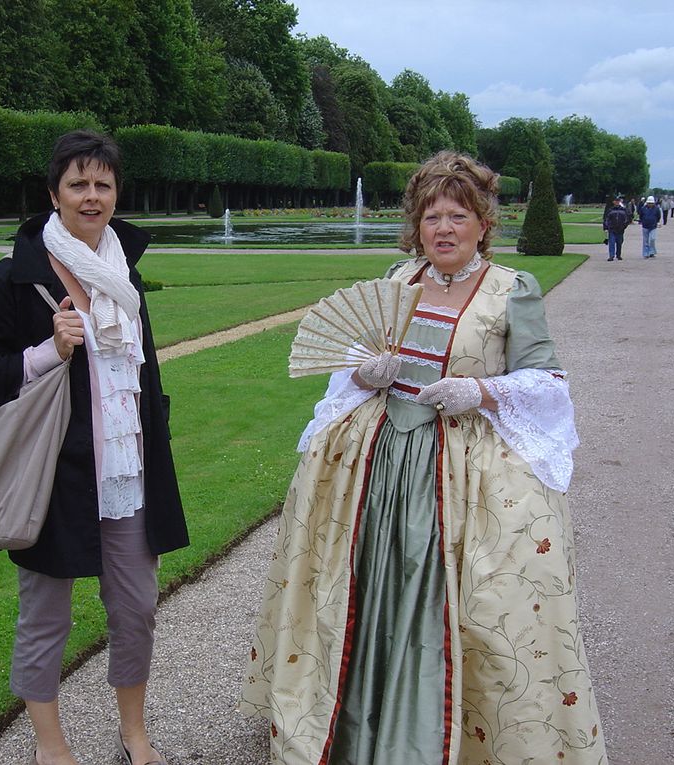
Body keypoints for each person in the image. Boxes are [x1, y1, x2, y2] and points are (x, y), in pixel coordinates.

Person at [240, 151, 607, 764]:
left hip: (463, 472)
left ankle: (447, 734)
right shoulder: (398, 278)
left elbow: (548, 381)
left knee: (466, 601)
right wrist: (367, 369)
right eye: (432, 215)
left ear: (483, 222)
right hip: (379, 463)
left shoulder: (511, 290)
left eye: (457, 215)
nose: (443, 228)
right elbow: (356, 356)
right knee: (364, 583)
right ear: (417, 224)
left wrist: (482, 389)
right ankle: (358, 722)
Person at [0, 130, 189, 765]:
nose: (92, 196)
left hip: (128, 473)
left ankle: (133, 730)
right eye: (78, 184)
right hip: (54, 480)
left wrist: (155, 434)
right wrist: (47, 352)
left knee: (137, 609)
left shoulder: (124, 272)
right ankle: (49, 744)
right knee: (45, 619)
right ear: (53, 194)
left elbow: (146, 376)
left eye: (103, 184)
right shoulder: (16, 278)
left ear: (117, 193)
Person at [603, 195, 631, 260]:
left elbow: (627, 219)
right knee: (612, 242)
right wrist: (606, 227)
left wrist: (624, 226)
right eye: (616, 201)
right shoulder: (610, 210)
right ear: (613, 202)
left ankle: (618, 255)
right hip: (612, 229)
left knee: (619, 242)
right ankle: (611, 256)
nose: (617, 202)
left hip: (620, 229)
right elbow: (606, 219)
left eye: (618, 201)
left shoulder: (623, 210)